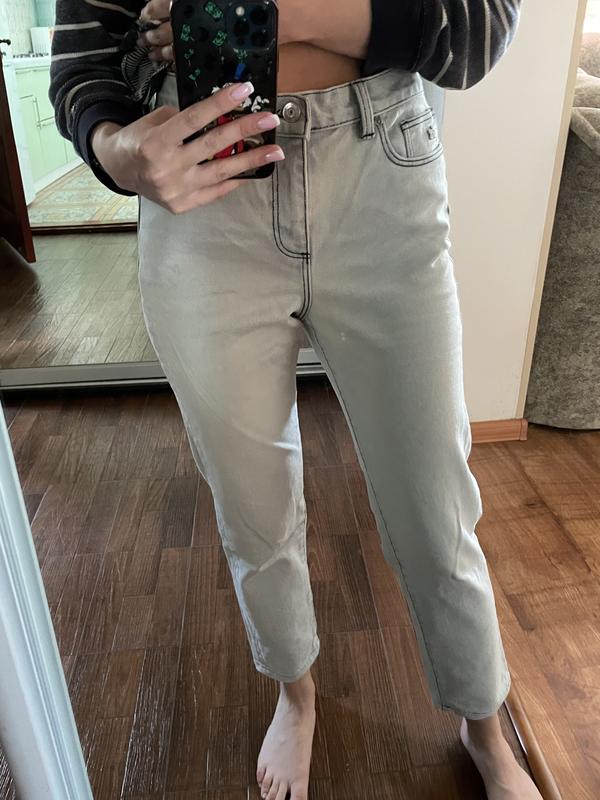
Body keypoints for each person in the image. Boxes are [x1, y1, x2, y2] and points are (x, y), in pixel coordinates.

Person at [50, 2, 542, 799]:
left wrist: (280, 13)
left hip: (379, 169)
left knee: (435, 504)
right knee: (251, 503)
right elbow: (82, 62)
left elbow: (478, 30)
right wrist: (119, 152)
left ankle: (484, 721)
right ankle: (295, 694)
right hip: (203, 186)